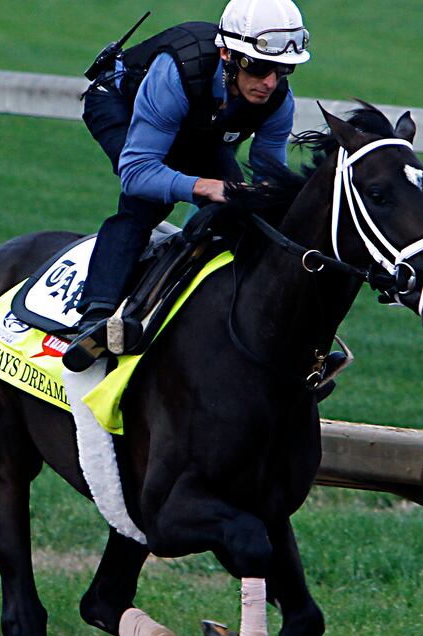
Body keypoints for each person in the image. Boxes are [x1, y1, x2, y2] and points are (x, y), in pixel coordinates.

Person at [64, 0, 312, 371]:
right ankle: (95, 318)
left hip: (197, 121)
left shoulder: (278, 98)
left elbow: (269, 179)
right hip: (121, 104)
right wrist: (206, 186)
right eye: (259, 68)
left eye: (284, 69)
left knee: (239, 212)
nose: (270, 82)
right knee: (144, 203)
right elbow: (139, 171)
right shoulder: (175, 73)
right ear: (227, 54)